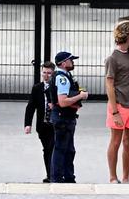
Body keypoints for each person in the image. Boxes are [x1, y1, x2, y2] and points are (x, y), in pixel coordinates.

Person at [104, 20, 129, 184]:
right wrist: (114, 110)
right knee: (116, 141)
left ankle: (125, 176)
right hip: (118, 105)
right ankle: (112, 176)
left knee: (128, 142)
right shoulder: (113, 58)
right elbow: (109, 84)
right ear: (127, 34)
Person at [48, 51, 89, 183]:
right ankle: (58, 178)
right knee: (61, 149)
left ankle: (68, 177)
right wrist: (80, 96)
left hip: (66, 118)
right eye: (71, 60)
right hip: (63, 118)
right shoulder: (62, 78)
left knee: (69, 150)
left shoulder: (65, 76)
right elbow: (63, 101)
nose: (73, 62)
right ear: (64, 62)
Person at [24, 61, 56, 183]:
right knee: (47, 150)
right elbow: (31, 107)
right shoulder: (37, 88)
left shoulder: (57, 87)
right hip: (43, 125)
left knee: (52, 148)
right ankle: (50, 174)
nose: (46, 75)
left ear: (53, 74)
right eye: (44, 73)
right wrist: (28, 124)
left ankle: (54, 174)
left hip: (55, 124)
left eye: (49, 73)